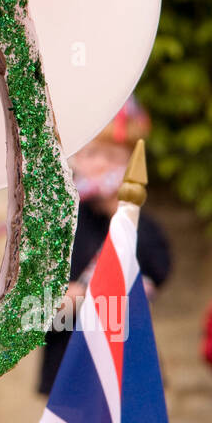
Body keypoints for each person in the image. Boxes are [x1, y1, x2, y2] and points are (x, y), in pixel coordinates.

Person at [38, 101, 171, 397]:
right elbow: (35, 303)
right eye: (86, 155)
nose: (92, 165)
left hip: (128, 367)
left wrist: (120, 208)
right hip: (70, 369)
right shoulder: (63, 226)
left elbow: (156, 271)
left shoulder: (140, 225)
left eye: (106, 157)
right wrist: (59, 302)